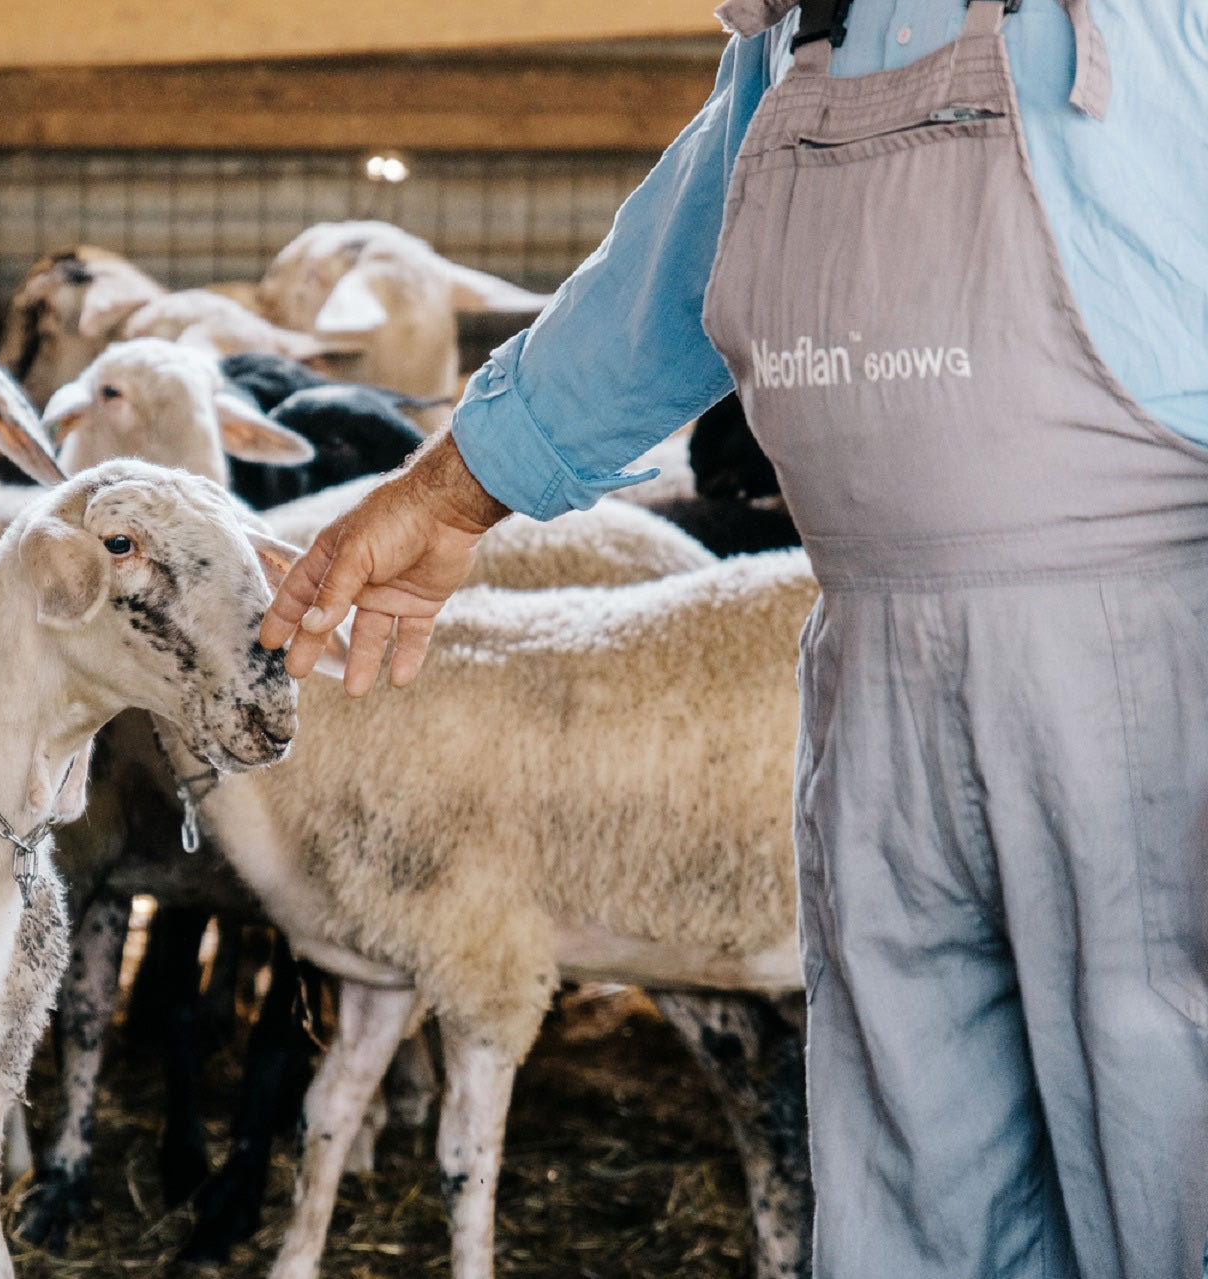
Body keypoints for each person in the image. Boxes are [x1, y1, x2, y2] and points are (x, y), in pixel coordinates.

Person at [260, 1, 1208, 1276]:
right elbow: (665, 275)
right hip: (869, 669)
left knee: (1167, 1137)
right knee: (912, 1166)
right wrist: (447, 493)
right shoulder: (797, 34)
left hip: (1142, 652)